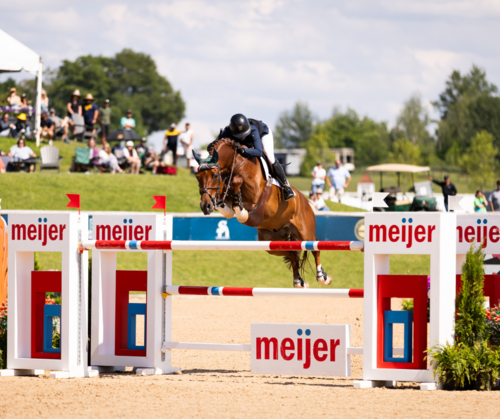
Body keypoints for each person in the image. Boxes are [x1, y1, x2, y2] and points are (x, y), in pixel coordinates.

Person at [209, 114, 296, 201]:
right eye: (239, 135)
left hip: (263, 134)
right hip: (245, 139)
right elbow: (210, 147)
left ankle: (286, 186)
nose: (242, 136)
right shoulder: (227, 131)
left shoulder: (253, 130)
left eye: (243, 134)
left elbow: (258, 152)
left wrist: (243, 150)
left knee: (270, 157)